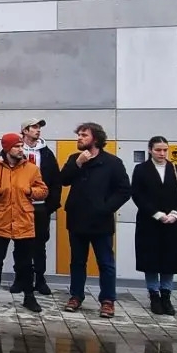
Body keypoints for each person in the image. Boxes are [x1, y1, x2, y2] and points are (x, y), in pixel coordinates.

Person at [58, 122, 131, 317]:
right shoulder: (75, 158)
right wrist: (78, 163)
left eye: (84, 135)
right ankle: (76, 296)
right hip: (77, 219)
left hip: (101, 221)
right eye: (79, 135)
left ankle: (107, 300)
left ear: (96, 139)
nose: (79, 138)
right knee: (77, 261)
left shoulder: (113, 163)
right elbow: (63, 180)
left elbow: (124, 190)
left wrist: (105, 208)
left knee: (105, 262)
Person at [0, 133, 50, 311]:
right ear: (7, 148)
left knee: (25, 262)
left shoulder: (31, 169)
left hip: (24, 221)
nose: (20, 149)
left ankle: (29, 296)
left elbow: (43, 190)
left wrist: (31, 191)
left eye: (21, 146)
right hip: (1, 221)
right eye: (16, 146)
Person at [131, 136, 177, 316]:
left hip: (172, 222)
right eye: (158, 150)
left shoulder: (176, 169)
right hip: (149, 221)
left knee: (169, 260)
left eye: (165, 149)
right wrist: (156, 214)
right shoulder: (141, 169)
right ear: (150, 150)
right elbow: (137, 195)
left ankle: (166, 295)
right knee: (151, 259)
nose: (162, 153)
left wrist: (175, 214)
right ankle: (154, 295)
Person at [18, 119, 61, 296]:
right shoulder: (15, 150)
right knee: (20, 244)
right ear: (25, 131)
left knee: (40, 244)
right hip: (19, 207)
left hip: (41, 207)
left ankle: (40, 279)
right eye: (34, 127)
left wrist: (50, 206)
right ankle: (20, 278)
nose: (38, 130)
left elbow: (56, 181)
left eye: (39, 127)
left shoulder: (47, 153)